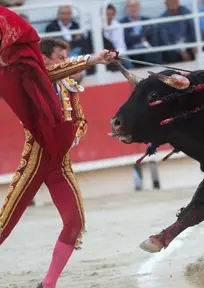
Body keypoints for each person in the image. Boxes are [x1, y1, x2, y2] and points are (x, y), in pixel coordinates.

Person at [0, 8, 118, 287]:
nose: (65, 62)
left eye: (67, 56)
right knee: (4, 222)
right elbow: (56, 71)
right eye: (61, 57)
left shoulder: (68, 88)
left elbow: (80, 119)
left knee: (75, 222)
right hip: (36, 157)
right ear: (44, 61)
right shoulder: (34, 77)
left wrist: (75, 135)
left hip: (59, 161)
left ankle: (48, 284)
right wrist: (94, 59)